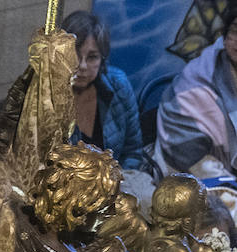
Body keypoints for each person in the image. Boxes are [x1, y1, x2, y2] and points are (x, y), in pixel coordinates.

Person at [154, 9, 237, 219]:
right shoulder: (194, 84)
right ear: (225, 35)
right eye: (235, 31)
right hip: (192, 178)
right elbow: (187, 152)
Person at [61, 11, 146, 172]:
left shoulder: (118, 85)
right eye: (74, 55)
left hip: (115, 186)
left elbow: (133, 152)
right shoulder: (48, 97)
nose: (83, 66)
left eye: (92, 57)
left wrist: (116, 183)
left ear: (102, 59)